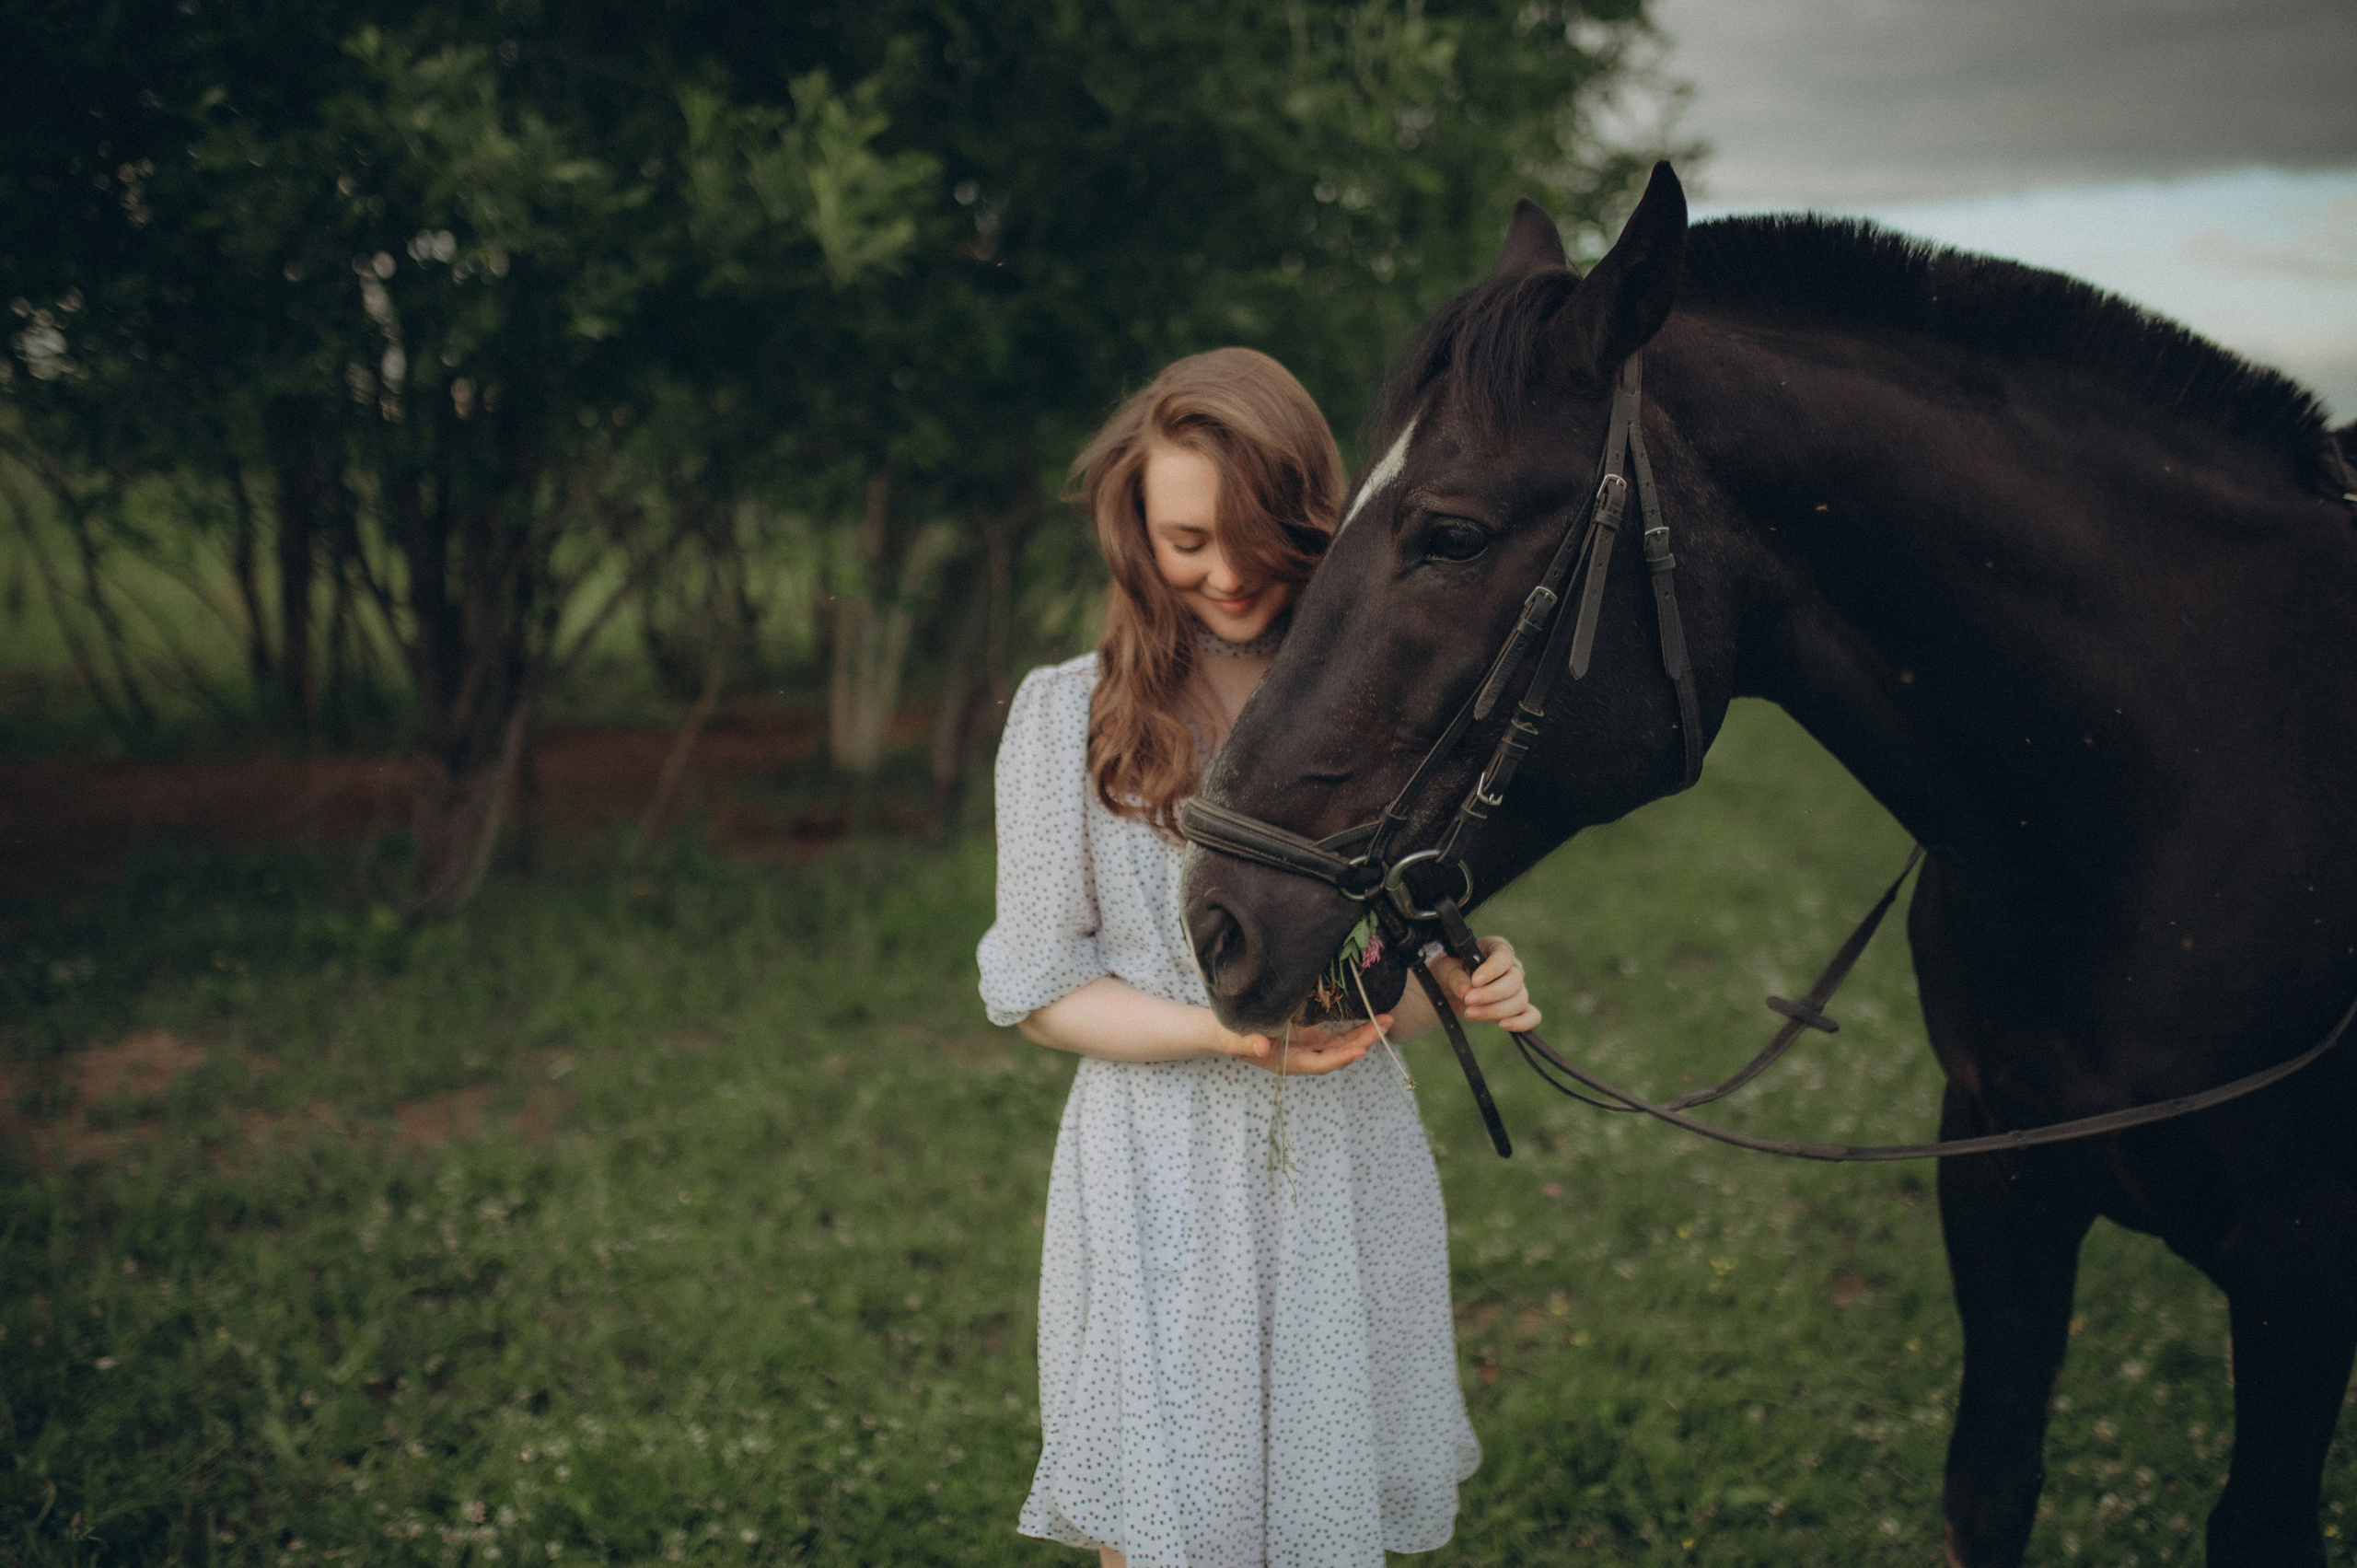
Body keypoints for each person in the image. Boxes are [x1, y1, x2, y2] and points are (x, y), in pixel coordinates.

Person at [976, 346, 1542, 1568]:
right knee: (1167, 1524)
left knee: (1325, 1512)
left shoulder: (1379, 706)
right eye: (1187, 542)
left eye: (1255, 538)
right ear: (1134, 530)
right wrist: (1223, 1034)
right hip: (1161, 1172)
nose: (1227, 575)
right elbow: (1041, 990)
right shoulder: (1070, 714)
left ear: (1312, 519)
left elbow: (1379, 970)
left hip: (1344, 1160)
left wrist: (1456, 981)